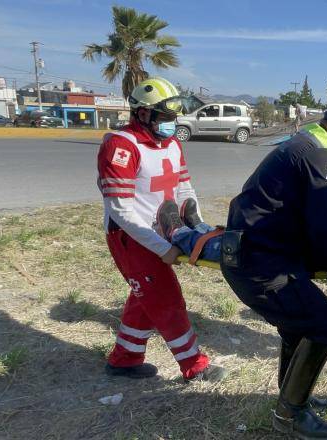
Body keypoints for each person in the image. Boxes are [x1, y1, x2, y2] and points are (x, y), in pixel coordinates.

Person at [220, 101, 327, 439]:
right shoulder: (322, 154)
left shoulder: (307, 143)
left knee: (298, 326)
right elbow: (322, 226)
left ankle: (293, 397)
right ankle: (290, 415)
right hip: (260, 262)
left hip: (250, 253)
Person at [96, 77, 225, 382]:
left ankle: (124, 360)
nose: (171, 123)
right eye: (165, 117)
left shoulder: (172, 144)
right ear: (143, 114)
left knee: (145, 297)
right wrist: (162, 247)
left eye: (173, 117)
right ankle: (195, 365)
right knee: (166, 300)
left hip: (164, 232)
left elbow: (183, 187)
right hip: (132, 237)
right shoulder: (120, 146)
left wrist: (196, 223)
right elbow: (120, 209)